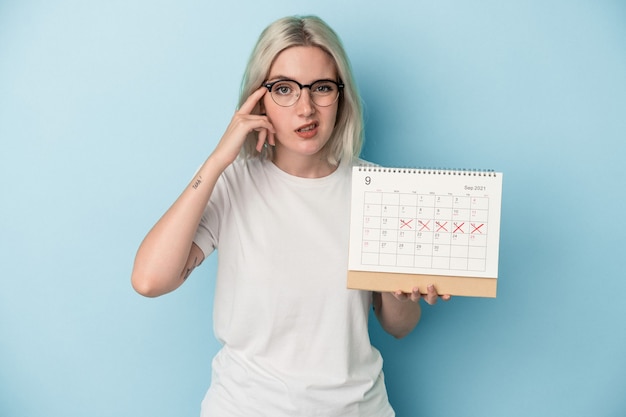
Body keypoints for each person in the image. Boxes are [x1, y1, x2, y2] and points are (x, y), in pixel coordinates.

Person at [131, 15, 449, 417]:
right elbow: (149, 280)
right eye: (284, 89)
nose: (305, 108)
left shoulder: (378, 189)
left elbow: (399, 326)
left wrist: (403, 290)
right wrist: (216, 162)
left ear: (341, 95)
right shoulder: (233, 184)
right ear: (258, 99)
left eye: (321, 88)